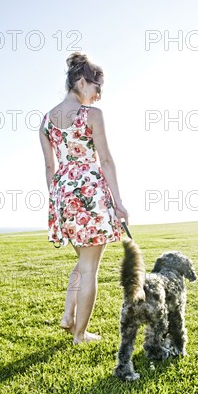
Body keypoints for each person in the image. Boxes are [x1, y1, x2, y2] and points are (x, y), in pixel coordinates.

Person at [39, 52, 129, 344]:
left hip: (63, 193)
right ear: (80, 81)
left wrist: (56, 202)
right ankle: (79, 334)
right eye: (96, 88)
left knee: (82, 263)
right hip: (90, 191)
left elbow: (50, 167)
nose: (99, 95)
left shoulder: (46, 122)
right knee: (90, 267)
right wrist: (119, 203)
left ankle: (68, 316)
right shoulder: (92, 116)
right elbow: (105, 160)